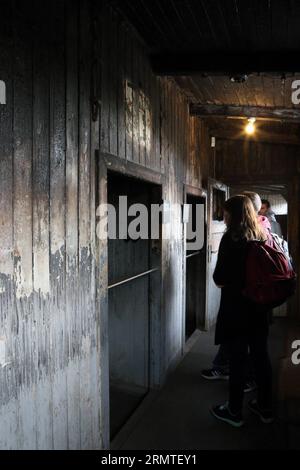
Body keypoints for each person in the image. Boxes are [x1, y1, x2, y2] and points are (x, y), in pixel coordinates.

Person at [210, 195, 273, 427]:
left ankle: (234, 412)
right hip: (260, 308)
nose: (224, 217)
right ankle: (265, 408)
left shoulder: (231, 238)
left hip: (237, 309)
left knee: (237, 360)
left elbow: (219, 279)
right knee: (261, 357)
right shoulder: (262, 234)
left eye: (226, 213)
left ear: (234, 214)